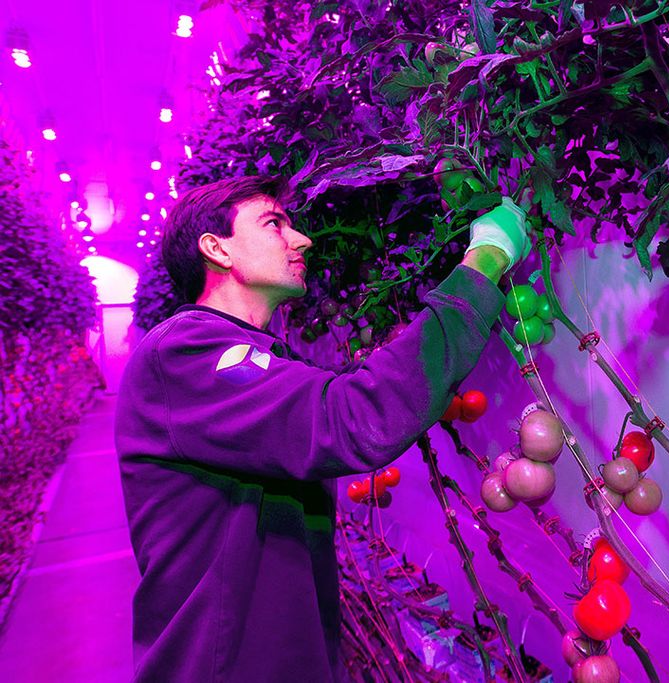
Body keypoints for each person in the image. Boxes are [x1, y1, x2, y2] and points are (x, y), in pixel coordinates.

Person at [114, 175, 529, 682]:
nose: (302, 239)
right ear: (216, 248)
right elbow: (354, 417)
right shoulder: (185, 354)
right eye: (274, 223)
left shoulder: (254, 357)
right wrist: (484, 260)